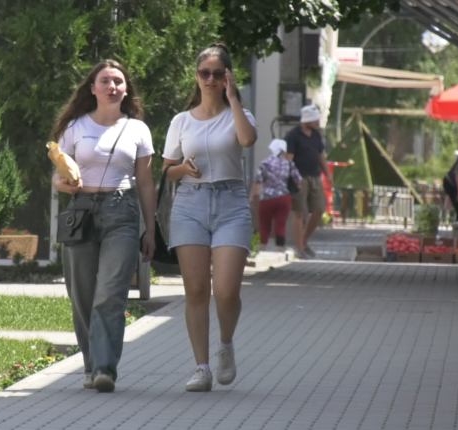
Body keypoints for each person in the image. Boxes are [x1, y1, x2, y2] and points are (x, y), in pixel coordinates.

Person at [51, 60, 156, 393]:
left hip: (122, 212)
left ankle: (104, 369)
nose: (112, 86)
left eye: (118, 82)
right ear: (93, 88)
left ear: (126, 90)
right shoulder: (75, 127)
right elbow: (58, 175)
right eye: (106, 81)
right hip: (81, 212)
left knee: (111, 293)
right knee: (82, 295)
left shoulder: (138, 130)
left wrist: (150, 229)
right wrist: (64, 185)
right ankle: (89, 365)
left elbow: (146, 183)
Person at [162, 43, 257, 392]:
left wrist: (233, 99)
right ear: (196, 76)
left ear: (228, 77)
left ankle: (226, 345)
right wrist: (183, 169)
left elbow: (247, 140)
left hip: (231, 203)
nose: (211, 79)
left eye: (218, 74)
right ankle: (201, 368)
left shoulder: (239, 115)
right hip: (190, 203)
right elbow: (167, 170)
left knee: (227, 291)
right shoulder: (181, 121)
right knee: (197, 290)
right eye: (205, 73)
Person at [284, 105, 333, 260]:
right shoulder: (293, 135)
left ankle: (305, 240)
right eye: (315, 119)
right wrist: (291, 178)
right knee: (299, 212)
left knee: (319, 208)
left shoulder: (316, 135)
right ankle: (299, 248)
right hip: (299, 178)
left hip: (315, 176)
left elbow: (320, 155)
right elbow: (288, 159)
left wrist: (328, 174)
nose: (317, 122)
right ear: (307, 119)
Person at [250, 139, 302, 252]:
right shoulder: (289, 164)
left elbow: (257, 182)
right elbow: (298, 180)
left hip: (266, 199)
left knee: (264, 225)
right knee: (281, 224)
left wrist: (252, 197)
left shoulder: (265, 163)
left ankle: (262, 249)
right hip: (284, 198)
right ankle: (279, 249)